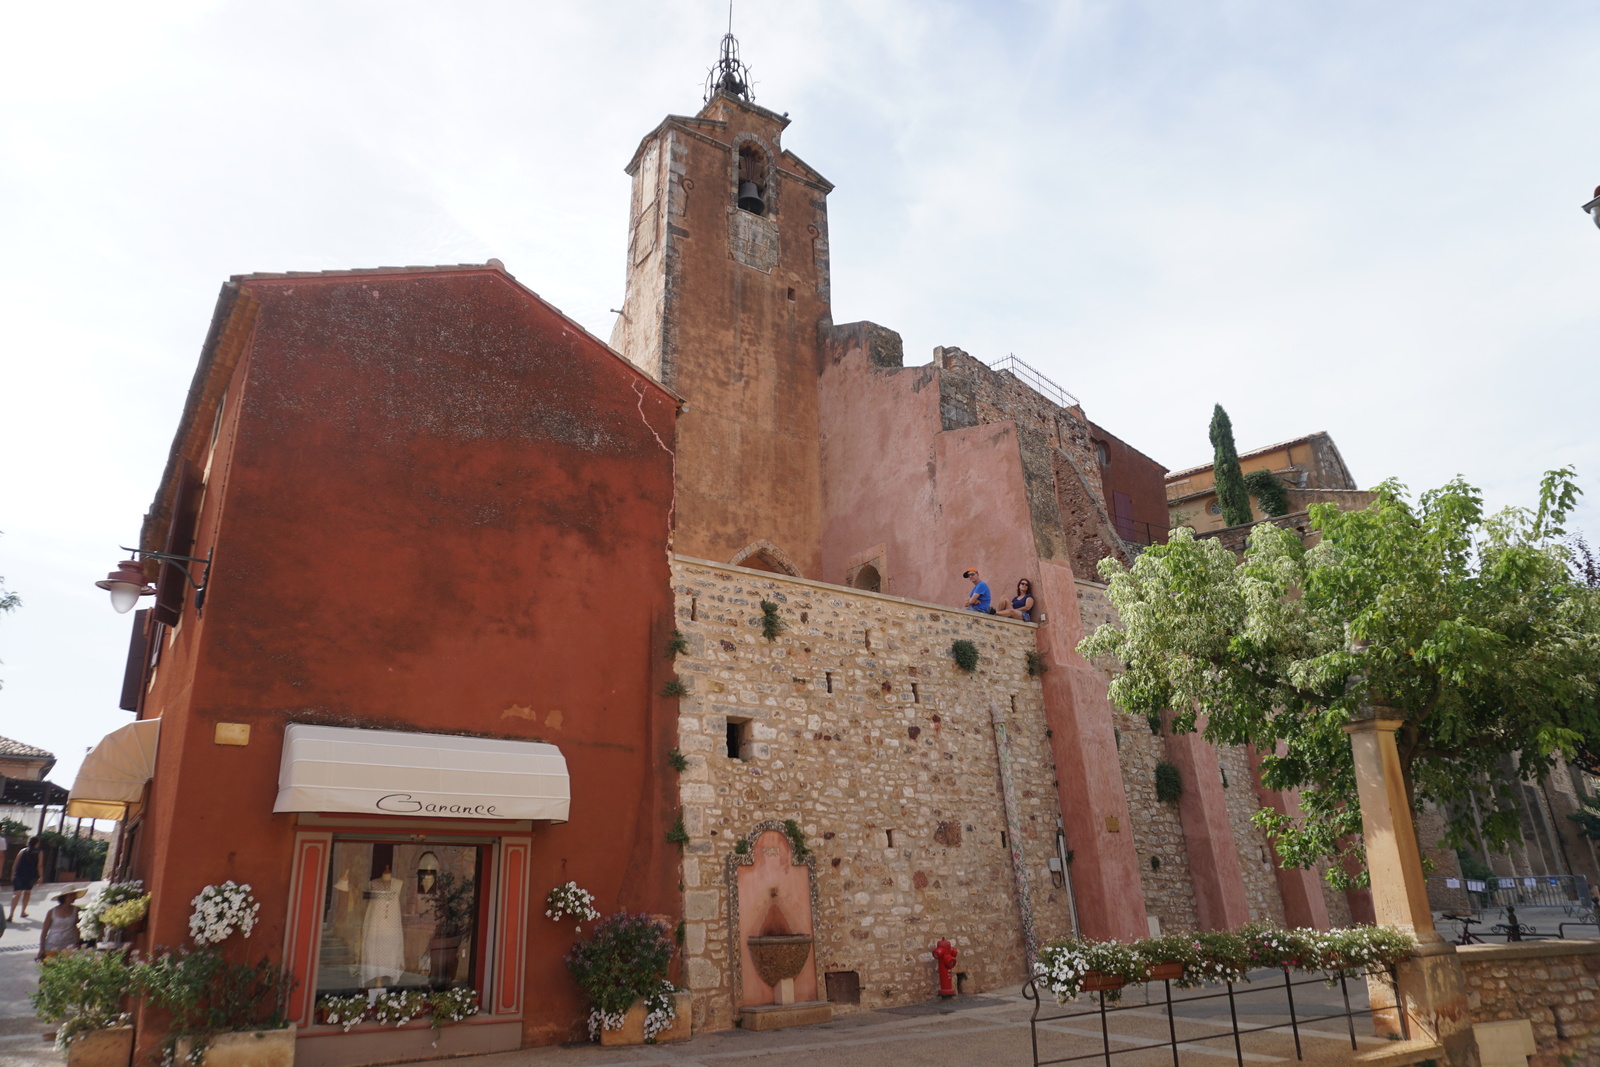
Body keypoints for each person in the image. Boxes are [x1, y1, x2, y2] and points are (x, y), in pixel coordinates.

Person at [37, 889, 83, 959]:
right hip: (52, 944)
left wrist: (77, 943)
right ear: (64, 897)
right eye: (71, 895)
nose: (74, 897)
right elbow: (45, 930)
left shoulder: (76, 910)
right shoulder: (52, 911)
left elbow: (78, 928)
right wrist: (41, 948)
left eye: (74, 895)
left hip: (70, 944)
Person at [8, 836, 41, 922]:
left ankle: (11, 914)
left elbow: (15, 864)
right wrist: (41, 876)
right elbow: (40, 866)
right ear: (37, 843)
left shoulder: (22, 851)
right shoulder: (39, 852)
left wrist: (12, 875)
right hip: (31, 876)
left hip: (19, 875)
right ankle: (23, 911)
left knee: (16, 894)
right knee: (27, 893)